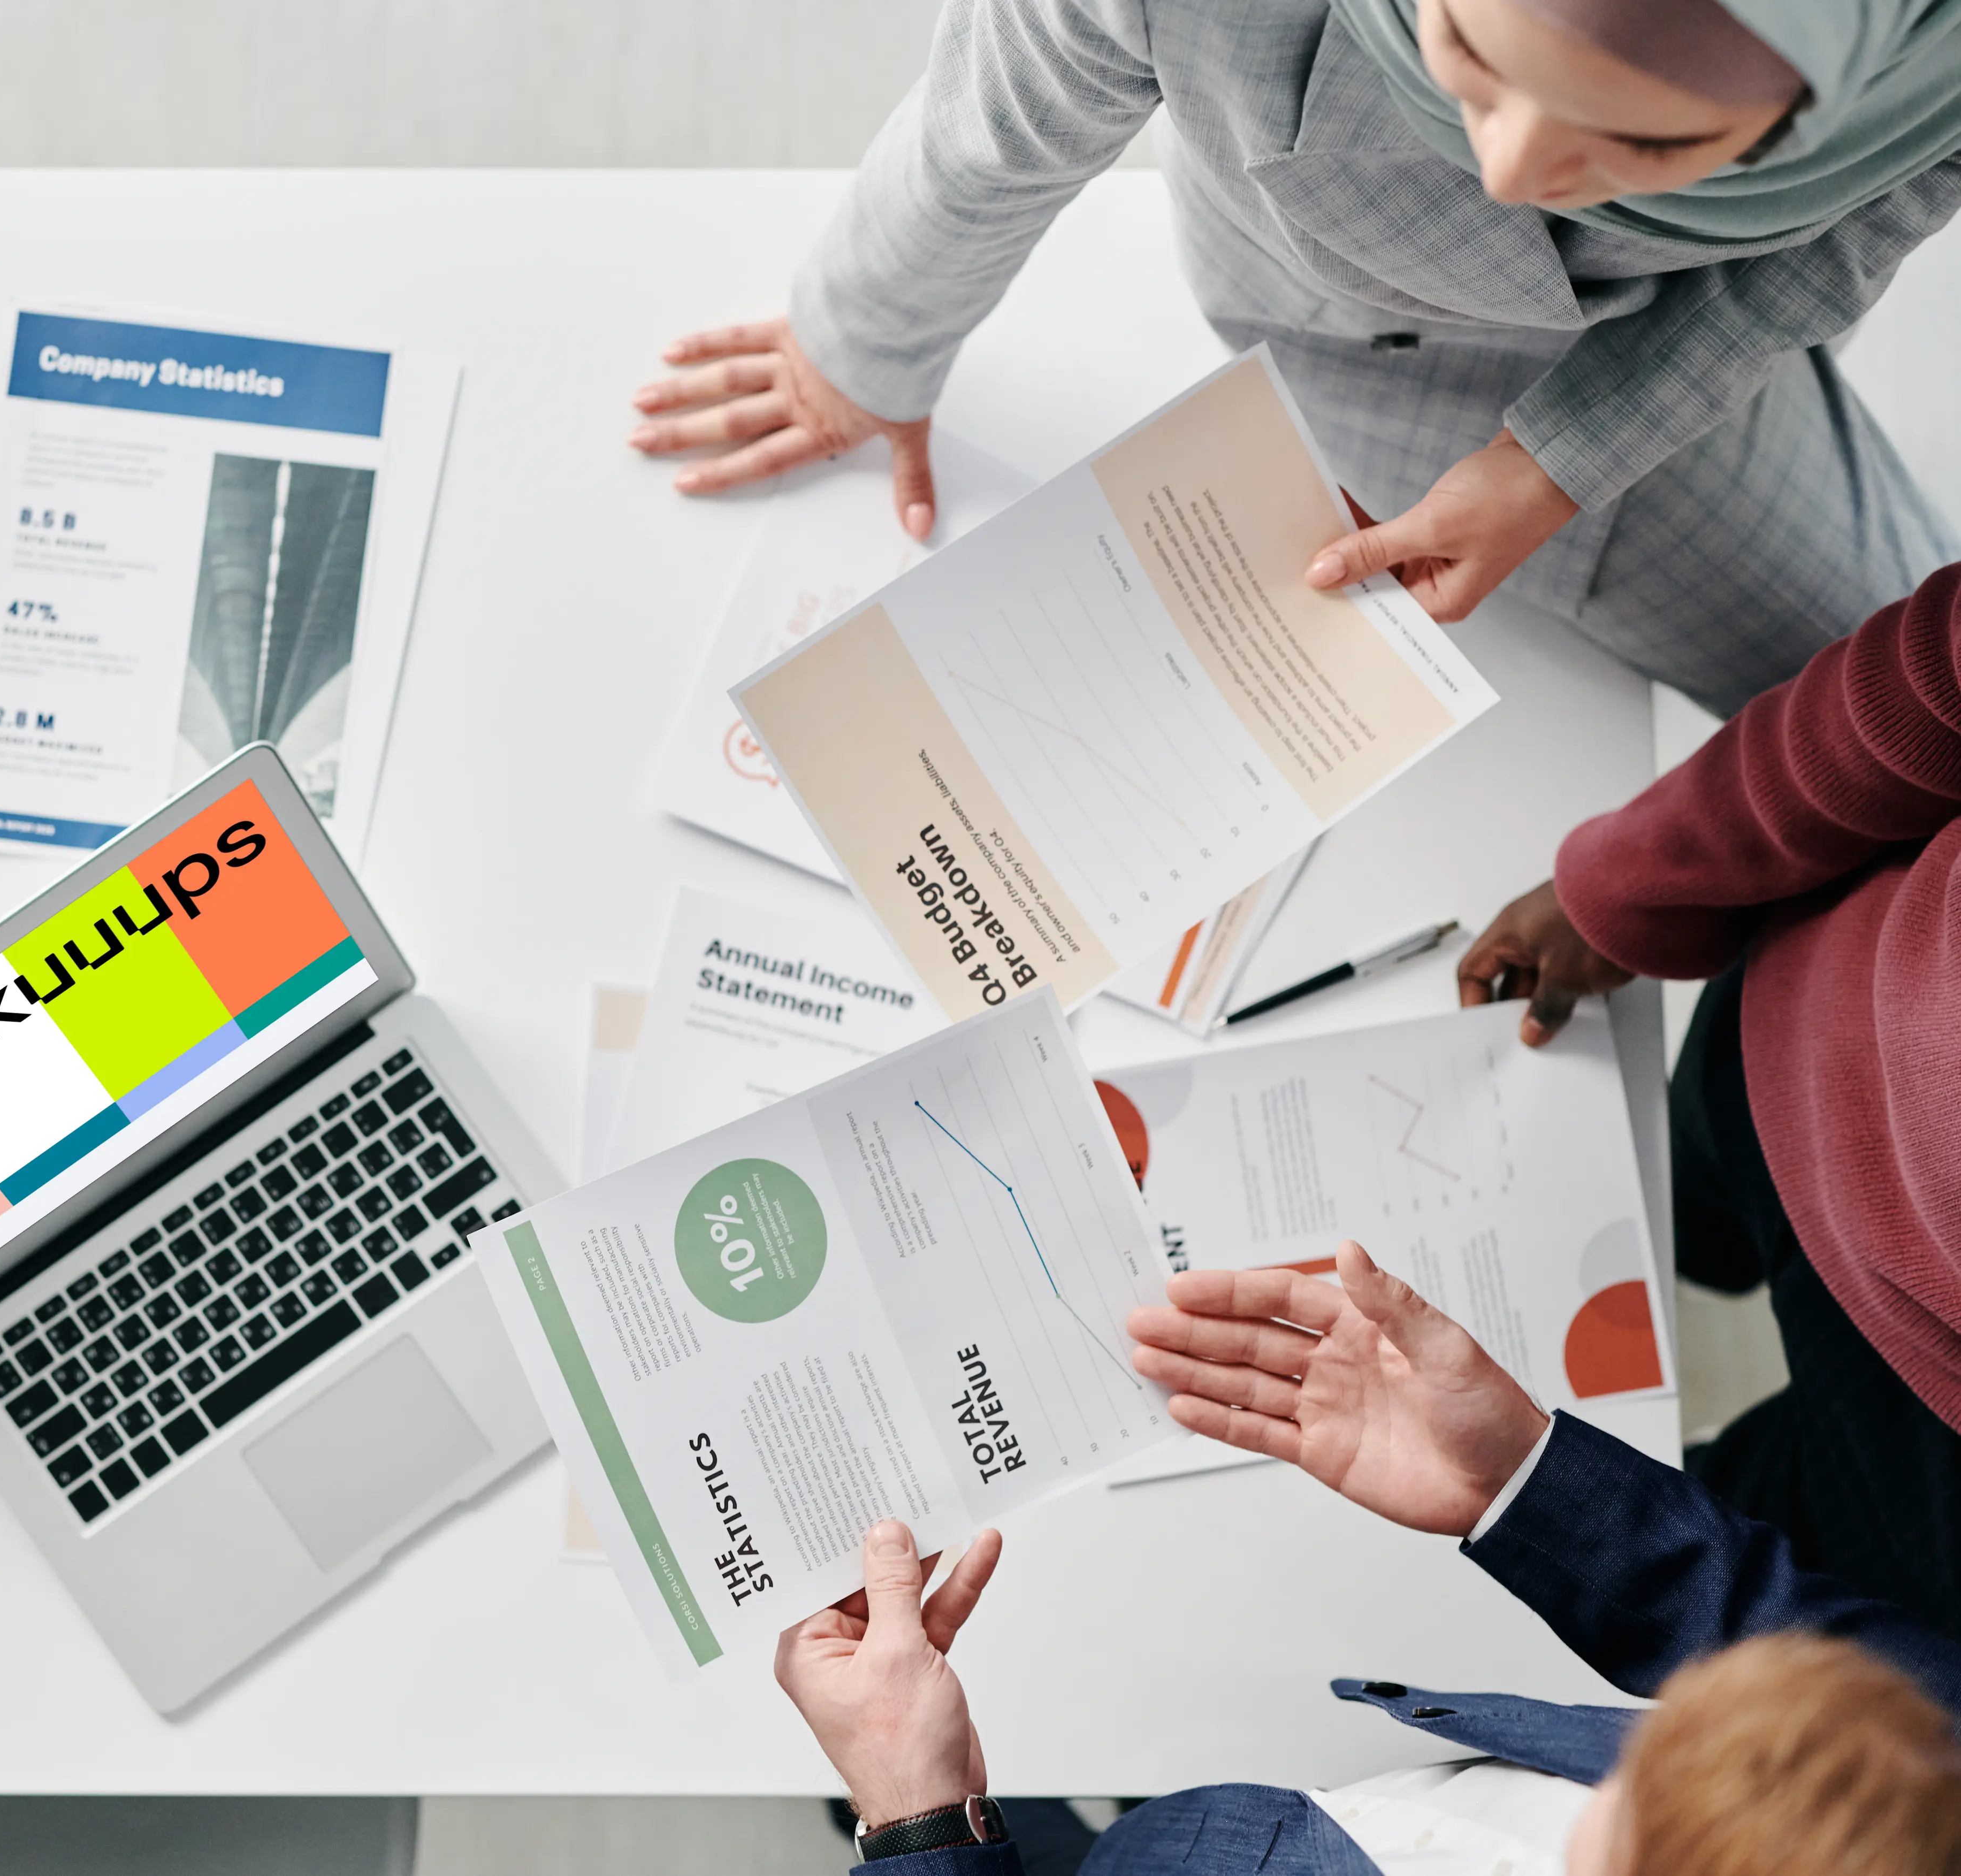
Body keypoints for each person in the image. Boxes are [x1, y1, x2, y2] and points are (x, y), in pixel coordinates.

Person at [626, 0, 1961, 717]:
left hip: (1655, 349)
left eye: (1655, 149)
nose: (1508, 174)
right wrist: (862, 351)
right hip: (1402, 353)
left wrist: (1565, 460)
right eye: (1464, 55)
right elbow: (995, 125)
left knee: (1920, 726)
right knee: (1883, 696)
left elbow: (1862, 218)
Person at [777, 1244, 1961, 1871]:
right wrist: (1515, 1479)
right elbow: (1774, 1632)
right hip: (1248, 1814)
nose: (1622, 1770)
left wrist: (913, 1824)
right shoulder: (1916, 1784)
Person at [1454, 556, 1961, 1636]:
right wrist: (1625, 884)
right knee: (1650, 1234)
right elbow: (1916, 684)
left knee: (1631, 1544)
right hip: (1794, 1047)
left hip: (1926, 1450)